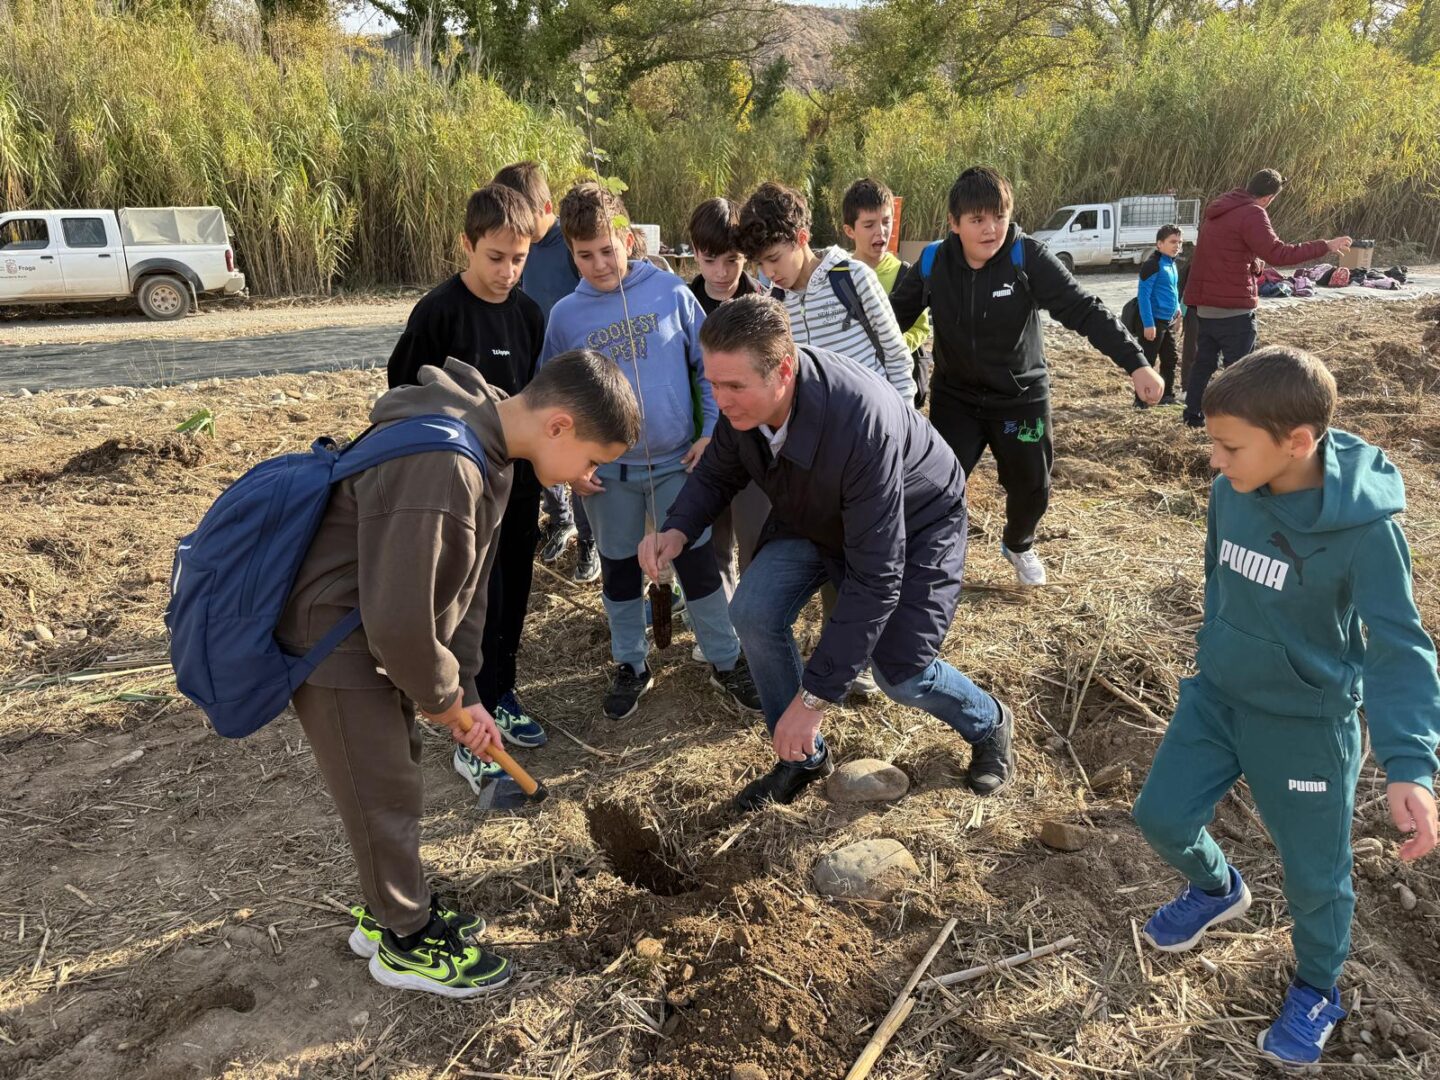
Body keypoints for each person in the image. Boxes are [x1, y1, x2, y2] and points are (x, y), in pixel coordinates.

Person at [278, 350, 641, 997]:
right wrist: (445, 700)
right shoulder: (447, 464)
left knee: (391, 772)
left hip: (370, 627)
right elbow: (399, 623)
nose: (588, 476)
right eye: (591, 461)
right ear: (559, 424)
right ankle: (404, 941)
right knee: (380, 790)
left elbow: (467, 590)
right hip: (332, 635)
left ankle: (395, 903)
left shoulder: (492, 441)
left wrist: (467, 691)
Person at [1130, 347, 1439, 1066]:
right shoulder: (1232, 489)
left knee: (1313, 875)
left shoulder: (1365, 532)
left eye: (1229, 445)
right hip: (1218, 696)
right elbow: (1219, 579)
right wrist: (1218, 649)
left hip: (1304, 724)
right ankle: (1217, 888)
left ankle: (1318, 987)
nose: (1213, 460)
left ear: (1296, 442)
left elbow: (1400, 646)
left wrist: (1409, 764)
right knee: (1160, 815)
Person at [639, 296, 1017, 811]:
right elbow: (718, 469)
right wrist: (678, 529)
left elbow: (875, 577)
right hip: (814, 510)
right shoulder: (744, 402)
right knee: (752, 612)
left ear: (784, 370)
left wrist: (813, 699)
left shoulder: (862, 424)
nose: (720, 401)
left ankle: (988, 721)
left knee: (901, 671)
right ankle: (802, 758)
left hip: (915, 516)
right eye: (713, 383)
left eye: (733, 386)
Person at [541, 182, 761, 720]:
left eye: (607, 250)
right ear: (570, 252)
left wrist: (711, 430)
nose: (598, 264)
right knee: (618, 567)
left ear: (630, 239)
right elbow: (552, 405)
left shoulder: (670, 293)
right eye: (584, 254)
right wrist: (572, 468)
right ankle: (630, 663)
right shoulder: (565, 317)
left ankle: (725, 658)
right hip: (609, 475)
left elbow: (709, 370)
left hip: (678, 462)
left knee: (696, 559)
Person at [890, 166, 1164, 587]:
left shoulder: (1027, 257)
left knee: (1031, 486)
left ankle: (1018, 542)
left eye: (999, 216)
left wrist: (1136, 362)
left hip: (1019, 398)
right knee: (936, 485)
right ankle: (930, 563)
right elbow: (889, 322)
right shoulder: (932, 262)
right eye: (977, 220)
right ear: (954, 224)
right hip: (956, 399)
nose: (990, 229)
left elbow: (1083, 308)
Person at [384, 184, 550, 795]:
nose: (507, 272)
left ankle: (502, 693)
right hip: (456, 491)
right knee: (465, 598)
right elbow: (403, 397)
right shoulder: (438, 313)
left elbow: (535, 401)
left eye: (519, 259)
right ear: (467, 245)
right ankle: (464, 709)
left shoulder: (530, 315)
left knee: (511, 594)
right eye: (495, 258)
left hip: (517, 483)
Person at [1181, 168, 1351, 428]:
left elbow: (1228, 255)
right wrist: (1325, 245)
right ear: (1269, 197)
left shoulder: (1220, 210)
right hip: (1234, 308)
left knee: (1203, 363)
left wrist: (1254, 264)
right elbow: (1279, 254)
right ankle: (1235, 423)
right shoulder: (1253, 213)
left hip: (1206, 306)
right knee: (1240, 371)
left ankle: (1192, 416)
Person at [492, 161, 597, 580]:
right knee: (538, 450)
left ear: (546, 206)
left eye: (524, 214)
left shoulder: (569, 244)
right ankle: (559, 519)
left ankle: (590, 540)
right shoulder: (519, 248)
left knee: (580, 459)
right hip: (537, 366)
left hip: (581, 371)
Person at [737, 181, 916, 401]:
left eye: (774, 258)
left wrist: (903, 419)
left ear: (801, 238)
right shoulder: (774, 305)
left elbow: (897, 356)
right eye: (760, 264)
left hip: (874, 423)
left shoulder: (854, 277)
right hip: (820, 430)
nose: (769, 272)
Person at [685, 197, 771, 604]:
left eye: (733, 260)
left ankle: (756, 616)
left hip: (755, 445)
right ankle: (724, 629)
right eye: (710, 259)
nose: (721, 273)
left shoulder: (766, 308)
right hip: (702, 448)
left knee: (756, 540)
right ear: (694, 252)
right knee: (711, 542)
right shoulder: (679, 307)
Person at [841, 177, 933, 405]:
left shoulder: (907, 275)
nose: (880, 232)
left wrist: (890, 352)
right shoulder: (839, 275)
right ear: (849, 230)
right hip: (854, 386)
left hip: (897, 389)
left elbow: (920, 328)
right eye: (869, 224)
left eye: (886, 221)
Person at [1134, 224, 1183, 406]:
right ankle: (1141, 400)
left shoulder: (1172, 263)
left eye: (1179, 242)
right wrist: (1148, 324)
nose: (1176, 245)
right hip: (1153, 320)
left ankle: (1166, 396)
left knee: (1170, 359)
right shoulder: (1152, 265)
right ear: (1159, 244)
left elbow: (1173, 290)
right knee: (1147, 361)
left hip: (1168, 321)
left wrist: (1178, 311)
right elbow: (1143, 296)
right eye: (1172, 242)